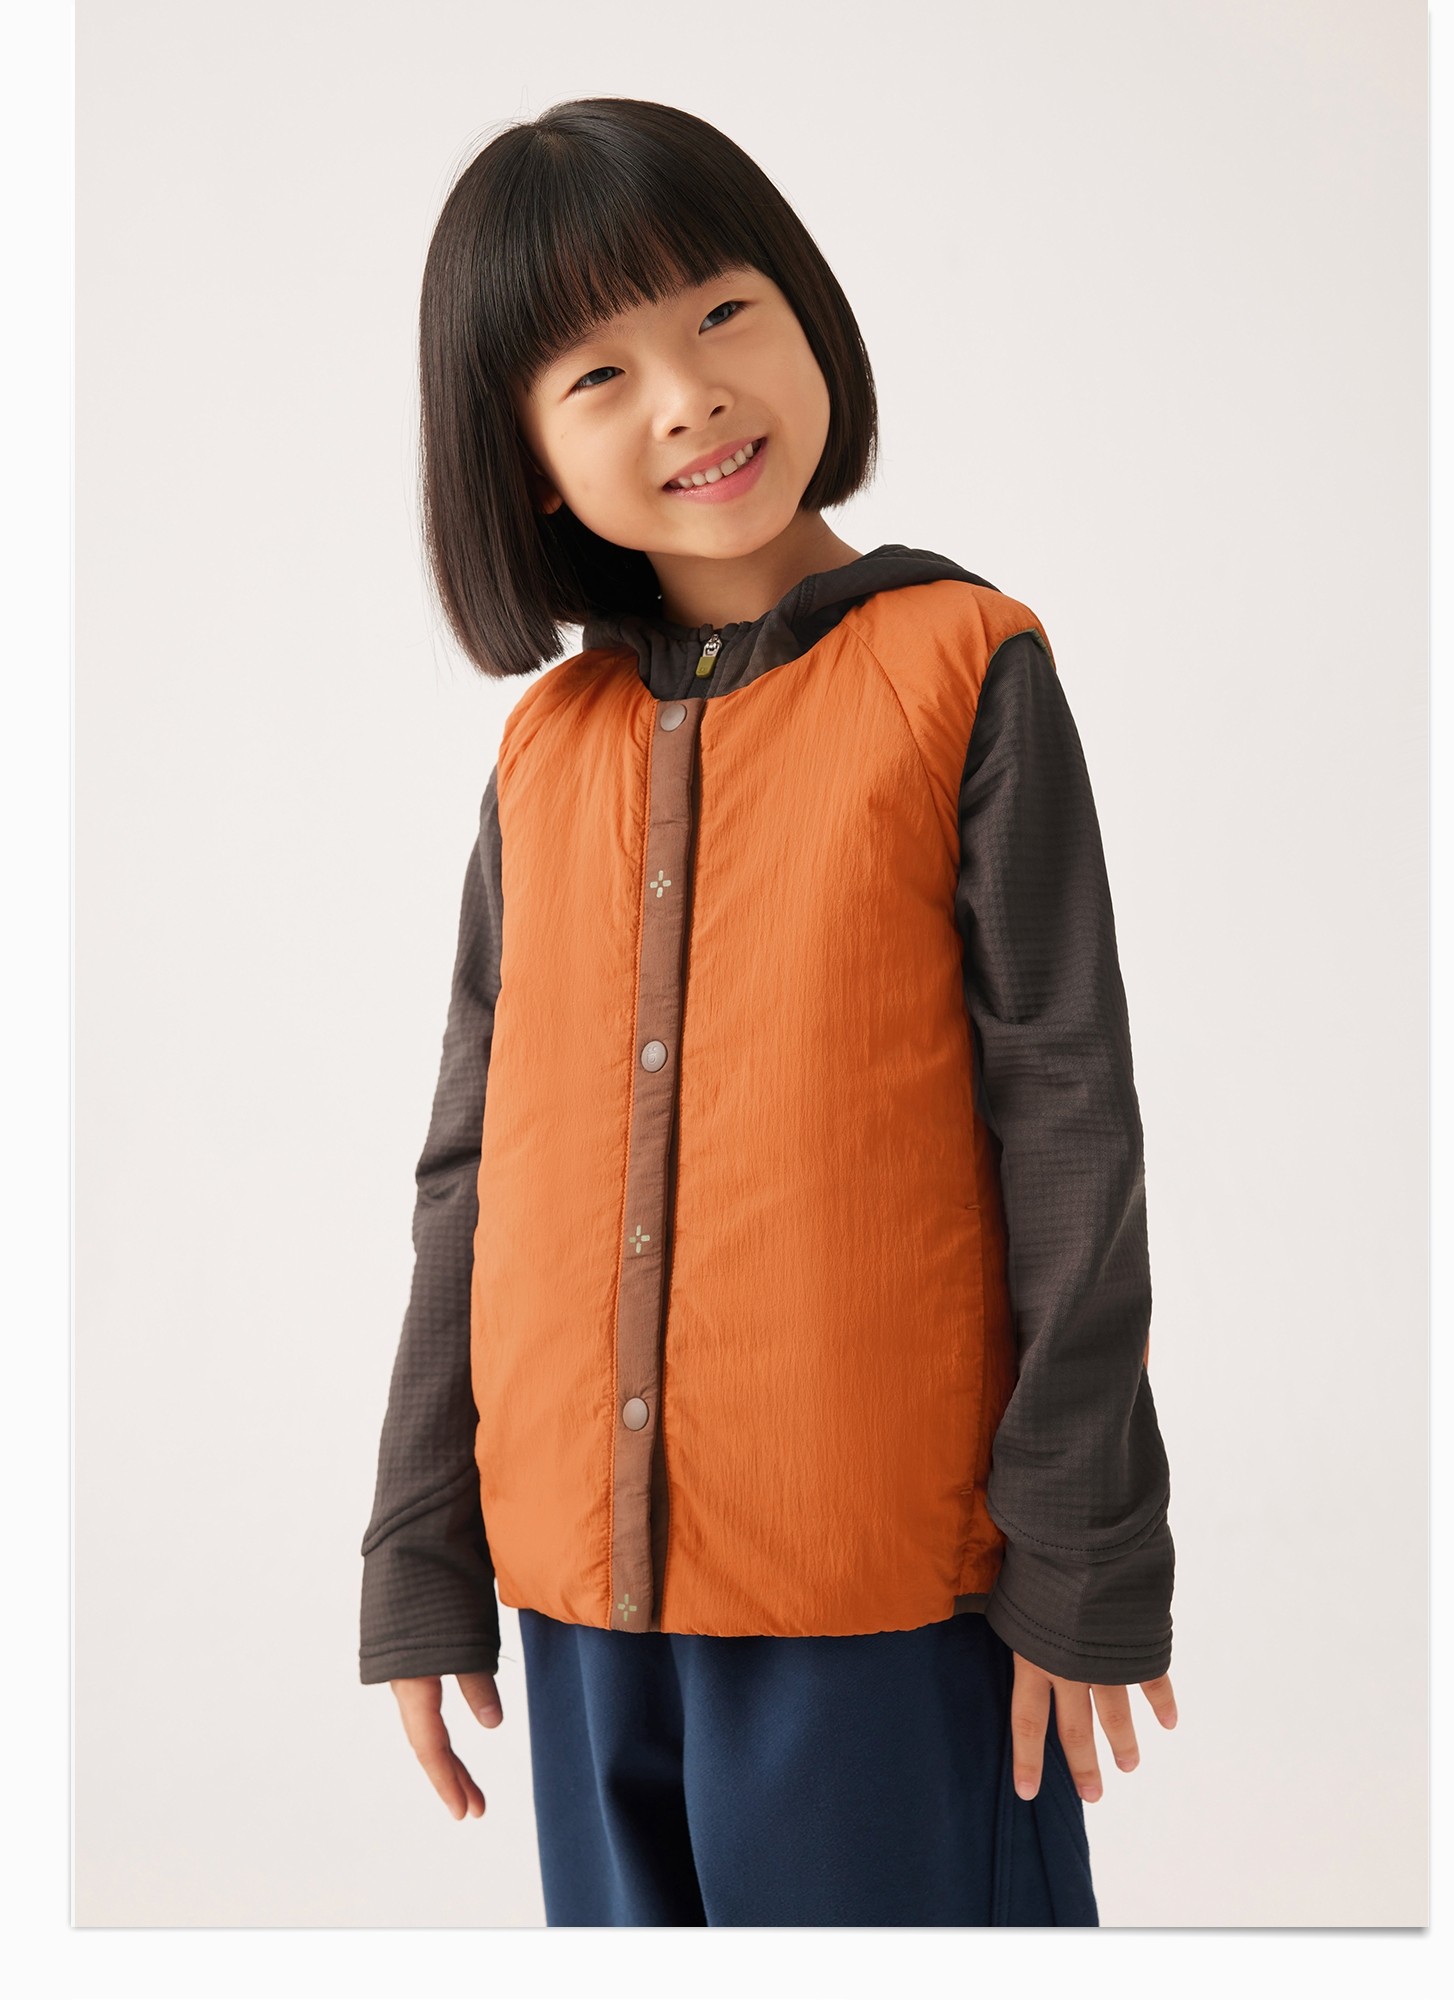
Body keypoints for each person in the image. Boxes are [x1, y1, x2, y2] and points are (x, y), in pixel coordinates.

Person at [359, 95, 1178, 1928]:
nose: (689, 396)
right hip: (579, 1601)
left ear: (807, 314)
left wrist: (1084, 1552)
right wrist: (421, 1553)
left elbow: (1072, 1128)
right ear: (522, 462)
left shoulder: (964, 666)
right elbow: (469, 1169)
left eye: (721, 312)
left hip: (881, 1591)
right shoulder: (544, 753)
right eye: (599, 373)